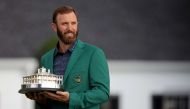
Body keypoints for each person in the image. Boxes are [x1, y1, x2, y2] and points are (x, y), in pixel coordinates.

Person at [25, 6, 110, 109]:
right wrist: (41, 100)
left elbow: (103, 93)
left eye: (73, 23)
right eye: (65, 24)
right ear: (54, 27)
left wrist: (71, 98)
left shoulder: (94, 54)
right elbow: (46, 99)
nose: (70, 28)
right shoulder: (45, 59)